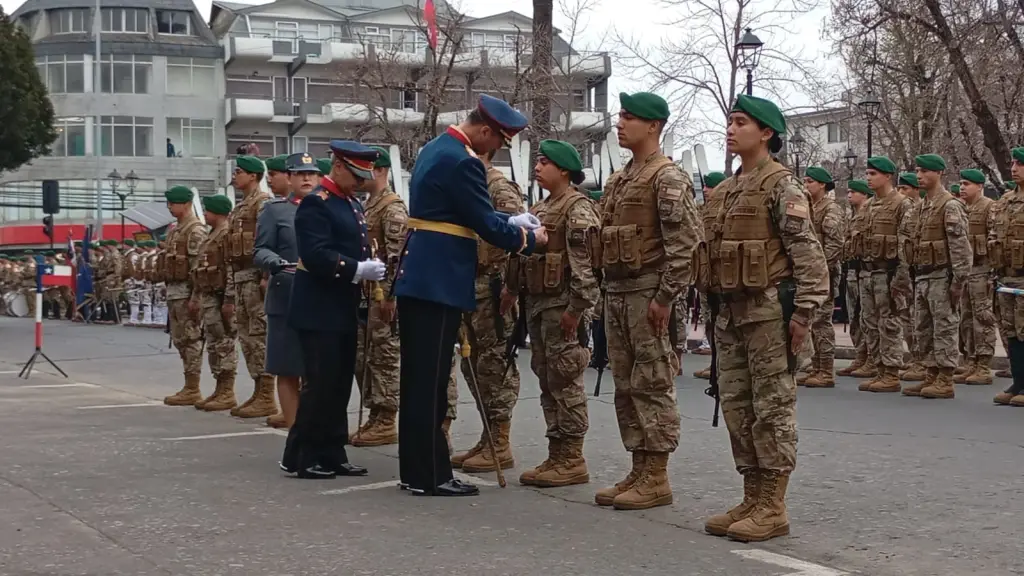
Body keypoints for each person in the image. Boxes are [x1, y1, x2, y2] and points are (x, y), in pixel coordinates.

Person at [392, 94, 546, 497]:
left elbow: (461, 212)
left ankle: (417, 470)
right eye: (495, 142)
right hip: (438, 280)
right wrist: (529, 238)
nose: (494, 150)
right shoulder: (463, 161)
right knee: (430, 384)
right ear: (484, 130)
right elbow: (482, 223)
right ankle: (430, 475)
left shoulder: (437, 148)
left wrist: (510, 218)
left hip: (423, 275)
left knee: (419, 381)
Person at [702, 94, 828, 542]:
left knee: (771, 407)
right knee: (737, 404)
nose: (731, 129)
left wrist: (804, 313)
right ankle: (752, 494)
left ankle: (773, 504)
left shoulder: (782, 186)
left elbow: (808, 255)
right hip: (731, 314)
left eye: (741, 122)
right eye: (730, 122)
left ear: (767, 133)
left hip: (769, 314)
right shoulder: (728, 189)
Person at [593, 92, 701, 511]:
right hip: (618, 293)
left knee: (652, 384)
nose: (620, 124)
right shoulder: (620, 179)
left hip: (647, 295)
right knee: (626, 385)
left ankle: (657, 474)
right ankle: (639, 466)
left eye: (630, 117)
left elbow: (685, 244)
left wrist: (666, 296)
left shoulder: (666, 177)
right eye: (620, 116)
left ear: (654, 126)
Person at [280, 141, 386, 479]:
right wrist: (357, 268)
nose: (359, 182)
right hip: (318, 306)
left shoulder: (351, 203)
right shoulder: (316, 204)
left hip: (342, 305)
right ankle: (305, 453)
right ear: (338, 166)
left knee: (340, 384)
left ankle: (332, 450)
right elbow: (316, 254)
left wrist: (366, 266)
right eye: (355, 174)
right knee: (320, 383)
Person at [507, 139, 600, 488]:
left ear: (563, 169)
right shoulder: (542, 208)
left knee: (566, 381)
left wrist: (577, 309)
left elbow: (586, 266)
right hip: (540, 306)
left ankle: (572, 456)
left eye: (544, 162)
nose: (537, 167)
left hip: (563, 308)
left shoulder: (577, 208)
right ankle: (557, 452)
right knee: (548, 380)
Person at [449, 145, 525, 473]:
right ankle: (487, 438)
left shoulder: (498, 187)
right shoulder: (472, 188)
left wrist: (512, 286)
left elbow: (519, 239)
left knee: (496, 366)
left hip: (494, 290)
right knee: (474, 366)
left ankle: (500, 441)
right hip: (471, 287)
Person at [255, 152, 317, 429]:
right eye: (300, 174)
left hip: (321, 298)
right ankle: (296, 433)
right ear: (289, 178)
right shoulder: (275, 210)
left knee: (318, 370)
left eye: (311, 174)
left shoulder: (327, 209)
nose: (306, 178)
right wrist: (274, 263)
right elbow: (260, 249)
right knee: (289, 367)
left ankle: (316, 428)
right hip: (287, 295)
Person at [351, 147, 407, 446]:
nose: (362, 175)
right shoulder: (367, 206)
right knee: (364, 357)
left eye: (368, 168)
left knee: (384, 356)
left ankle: (386, 416)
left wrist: (391, 297)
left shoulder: (392, 208)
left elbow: (398, 257)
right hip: (365, 294)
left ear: (382, 171)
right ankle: (374, 411)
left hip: (382, 296)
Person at [904, 155, 971, 399]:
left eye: (925, 171)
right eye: (918, 171)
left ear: (939, 173)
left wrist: (958, 282)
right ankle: (931, 372)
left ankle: (945, 377)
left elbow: (961, 248)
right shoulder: (921, 206)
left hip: (942, 276)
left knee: (944, 327)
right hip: (923, 276)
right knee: (923, 328)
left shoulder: (950, 205)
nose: (919, 176)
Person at [226, 156, 277, 419]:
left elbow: (269, 240)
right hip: (241, 278)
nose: (235, 176)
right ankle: (259, 390)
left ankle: (267, 394)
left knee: (259, 336)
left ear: (254, 176)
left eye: (240, 172)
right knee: (247, 337)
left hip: (256, 278)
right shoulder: (241, 207)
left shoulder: (263, 203)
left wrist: (266, 275)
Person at [859, 156, 913, 393]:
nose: (869, 178)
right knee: (870, 322)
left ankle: (891, 372)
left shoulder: (902, 204)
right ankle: (879, 367)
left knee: (889, 322)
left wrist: (901, 278)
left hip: (889, 273)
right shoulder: (869, 205)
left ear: (888, 176)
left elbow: (906, 245)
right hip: (869, 273)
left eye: (873, 174)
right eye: (868, 174)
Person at [189, 194, 240, 412]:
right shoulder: (212, 235)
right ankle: (220, 388)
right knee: (213, 344)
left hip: (221, 298)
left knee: (224, 343)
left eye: (208, 210)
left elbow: (230, 269)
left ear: (218, 212)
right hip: (210, 297)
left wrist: (229, 299)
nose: (205, 214)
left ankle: (227, 391)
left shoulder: (226, 234)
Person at [160, 186, 209, 406]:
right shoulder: (175, 230)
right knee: (180, 339)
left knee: (191, 339)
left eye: (174, 203)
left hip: (187, 293)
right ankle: (189, 385)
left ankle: (193, 387)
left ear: (187, 204)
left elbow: (198, 267)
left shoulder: (195, 230)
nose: (170, 207)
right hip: (174, 291)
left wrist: (196, 297)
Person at [801, 167, 846, 388]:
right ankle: (816, 366)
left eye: (810, 181)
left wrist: (820, 269)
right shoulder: (809, 208)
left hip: (824, 273)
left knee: (821, 322)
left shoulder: (831, 209)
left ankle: (826, 370)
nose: (806, 185)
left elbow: (835, 244)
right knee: (811, 321)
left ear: (822, 185)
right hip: (809, 274)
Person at [955, 168, 996, 386]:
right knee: (966, 319)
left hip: (982, 270)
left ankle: (983, 365)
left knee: (983, 319)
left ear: (979, 186)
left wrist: (993, 273)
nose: (962, 188)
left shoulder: (989, 207)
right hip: (966, 272)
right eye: (961, 184)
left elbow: (995, 240)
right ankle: (970, 359)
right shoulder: (961, 208)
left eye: (967, 184)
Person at [992, 148, 1024, 405]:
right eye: (1013, 163)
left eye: (1020, 164)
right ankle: (1018, 382)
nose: (1014, 168)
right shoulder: (1005, 201)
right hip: (1007, 277)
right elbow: (995, 236)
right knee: (1011, 331)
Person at [693, 171, 726, 380]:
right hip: (706, 275)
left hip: (723, 277)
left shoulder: (726, 209)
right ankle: (715, 363)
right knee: (709, 321)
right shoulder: (703, 210)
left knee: (722, 324)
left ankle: (722, 366)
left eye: (710, 186)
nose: (705, 190)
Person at [896, 173, 927, 382]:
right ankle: (916, 359)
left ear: (916, 190)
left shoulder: (923, 209)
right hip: (907, 271)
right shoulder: (909, 213)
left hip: (924, 272)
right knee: (907, 318)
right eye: (899, 189)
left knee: (922, 320)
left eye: (905, 189)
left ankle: (924, 362)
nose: (901, 193)